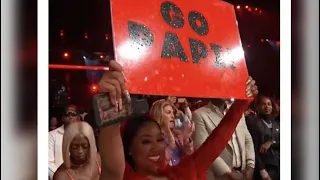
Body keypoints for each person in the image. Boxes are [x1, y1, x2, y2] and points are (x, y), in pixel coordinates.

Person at [97, 60, 258, 180]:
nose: (156, 147)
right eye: (146, 142)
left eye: (160, 139)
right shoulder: (121, 176)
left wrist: (242, 102)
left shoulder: (182, 173)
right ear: (129, 149)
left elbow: (217, 141)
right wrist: (109, 97)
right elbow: (112, 162)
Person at [192, 99, 255, 180]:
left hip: (243, 172)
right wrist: (229, 172)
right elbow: (202, 149)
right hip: (219, 175)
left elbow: (247, 139)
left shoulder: (237, 110)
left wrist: (250, 165)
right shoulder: (199, 115)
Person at [150, 99, 194, 166]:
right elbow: (159, 164)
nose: (173, 116)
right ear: (159, 115)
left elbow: (188, 158)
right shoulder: (152, 138)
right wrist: (171, 145)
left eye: (172, 112)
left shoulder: (178, 135)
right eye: (168, 112)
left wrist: (186, 138)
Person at [246, 96, 280, 180]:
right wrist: (262, 171)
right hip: (266, 168)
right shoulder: (254, 124)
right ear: (257, 106)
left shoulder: (277, 123)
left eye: (269, 104)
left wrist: (271, 143)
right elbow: (253, 148)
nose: (267, 107)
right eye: (263, 104)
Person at [49, 105, 81, 179]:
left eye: (73, 114)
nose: (70, 116)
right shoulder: (52, 135)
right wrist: (62, 177)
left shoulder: (84, 136)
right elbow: (48, 162)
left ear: (79, 118)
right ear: (62, 118)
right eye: (67, 114)